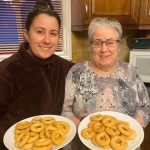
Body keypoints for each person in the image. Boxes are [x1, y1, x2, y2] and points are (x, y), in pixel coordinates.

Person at [62, 17, 150, 150]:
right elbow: (66, 110)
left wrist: (133, 128)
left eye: (110, 42)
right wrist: (82, 128)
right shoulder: (76, 72)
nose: (104, 49)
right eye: (97, 43)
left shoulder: (131, 71)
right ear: (90, 46)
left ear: (119, 46)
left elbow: (145, 107)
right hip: (84, 144)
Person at [0, 2, 74, 149]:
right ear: (26, 34)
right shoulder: (6, 70)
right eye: (40, 32)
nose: (47, 40)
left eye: (53, 33)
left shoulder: (67, 68)